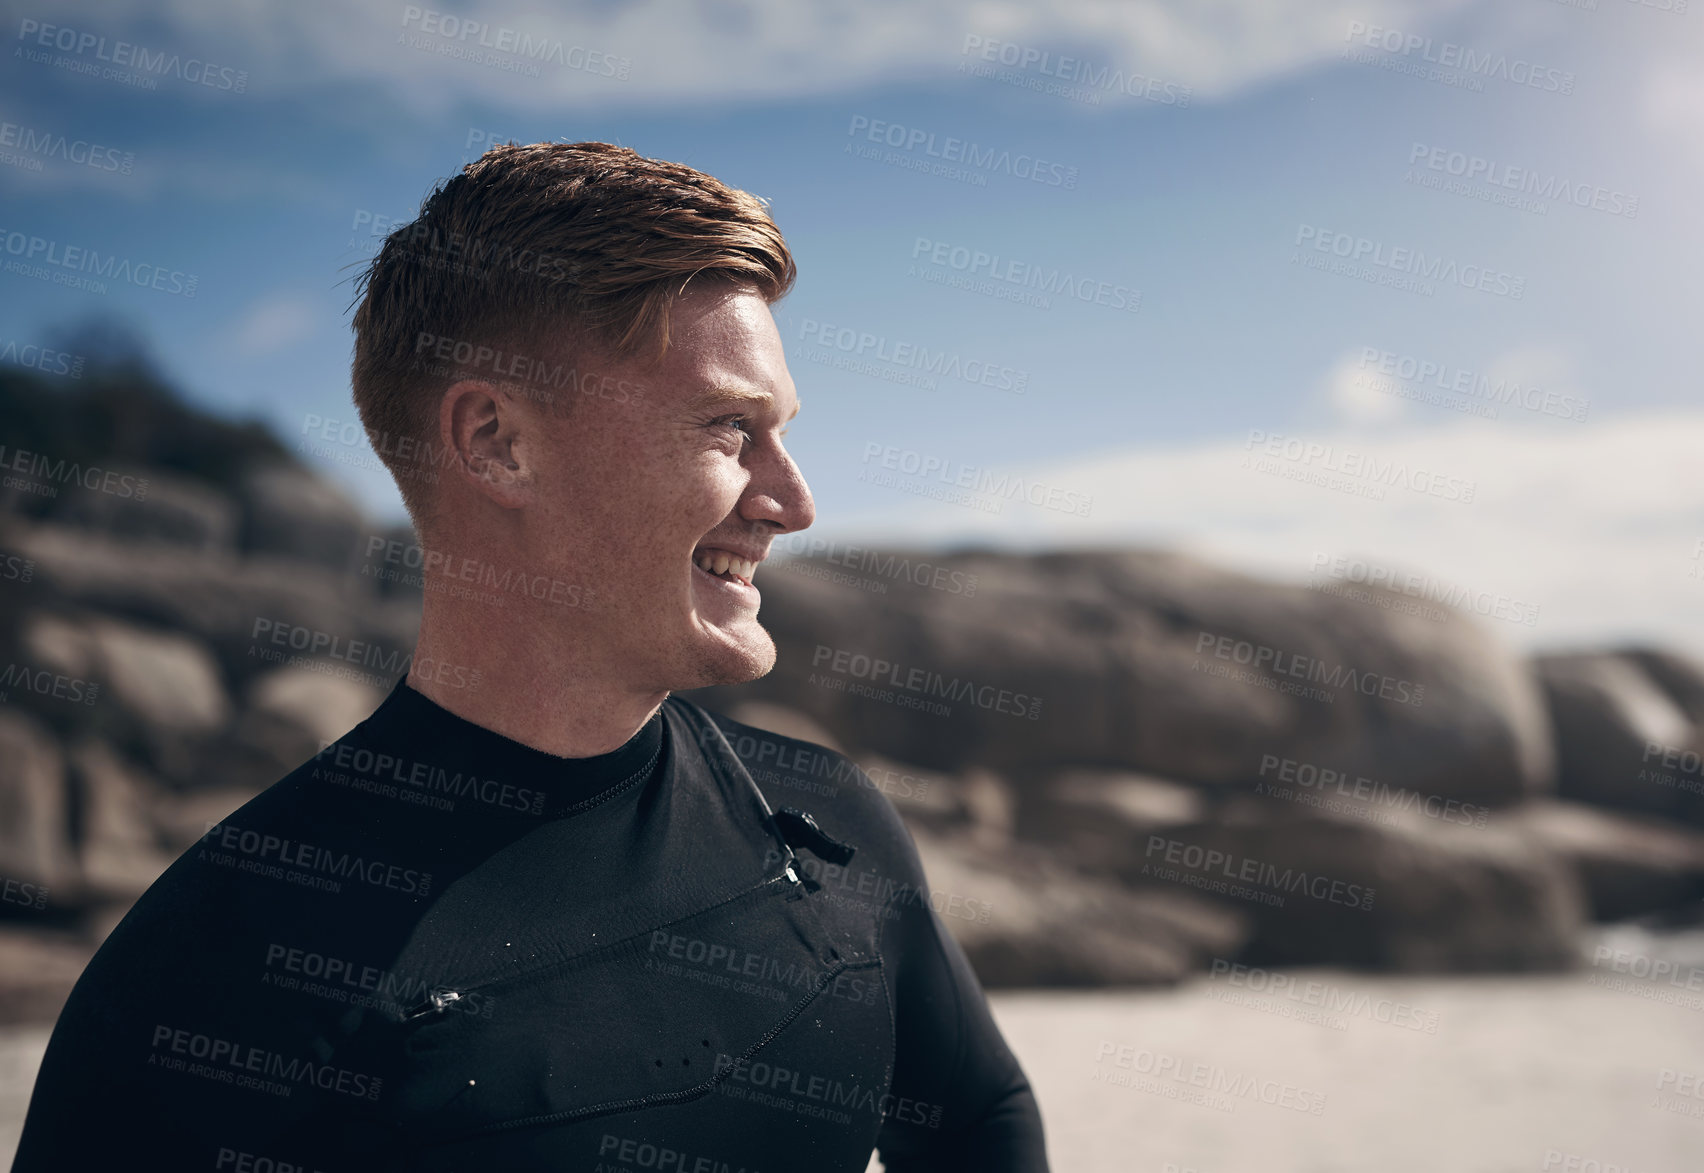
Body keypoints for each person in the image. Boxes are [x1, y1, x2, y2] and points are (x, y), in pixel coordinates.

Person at [12, 141, 1050, 1171]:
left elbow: (980, 1112)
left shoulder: (830, 824)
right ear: (496, 442)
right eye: (731, 429)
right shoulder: (216, 971)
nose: (794, 501)